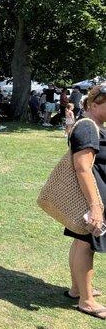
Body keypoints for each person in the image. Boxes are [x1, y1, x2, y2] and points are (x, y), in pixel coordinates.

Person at [64, 85, 106, 320]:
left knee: (81, 242)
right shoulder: (89, 128)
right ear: (93, 104)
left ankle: (78, 289)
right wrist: (96, 206)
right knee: (86, 245)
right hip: (91, 198)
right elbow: (82, 169)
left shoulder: (93, 126)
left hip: (90, 198)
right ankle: (86, 301)